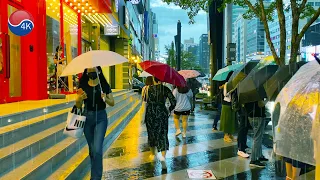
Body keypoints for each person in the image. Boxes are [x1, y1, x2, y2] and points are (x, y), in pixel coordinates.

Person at [75, 66, 114, 180]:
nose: (91, 72)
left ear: (99, 71)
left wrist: (105, 98)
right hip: (87, 118)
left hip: (101, 118)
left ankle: (95, 177)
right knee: (92, 150)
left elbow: (112, 102)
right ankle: (95, 173)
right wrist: (79, 99)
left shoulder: (104, 85)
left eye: (93, 70)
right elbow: (78, 105)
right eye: (89, 70)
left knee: (97, 149)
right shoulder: (83, 86)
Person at [144, 77, 176, 169]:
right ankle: (163, 157)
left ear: (154, 80)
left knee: (151, 134)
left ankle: (153, 155)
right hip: (162, 113)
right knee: (163, 135)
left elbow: (144, 102)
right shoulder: (165, 89)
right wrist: (169, 110)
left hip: (150, 113)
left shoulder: (147, 89)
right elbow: (173, 101)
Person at [246, 100, 268, 168]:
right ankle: (254, 160)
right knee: (257, 138)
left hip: (252, 115)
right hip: (257, 116)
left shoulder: (247, 93)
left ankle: (259, 155)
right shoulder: (256, 92)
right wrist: (266, 100)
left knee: (259, 137)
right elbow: (260, 104)